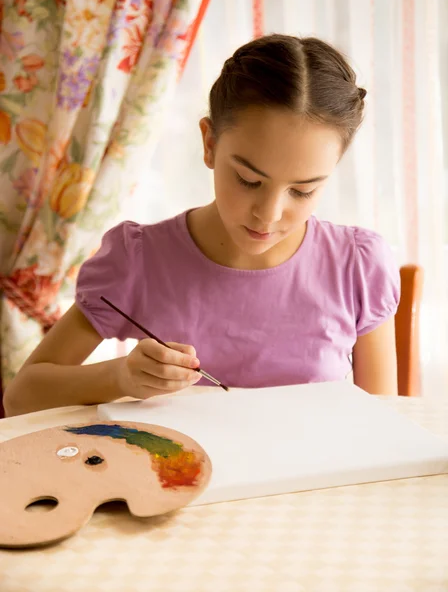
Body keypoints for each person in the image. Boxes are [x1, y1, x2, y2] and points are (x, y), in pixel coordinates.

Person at [4, 34, 400, 417]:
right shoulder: (139, 259)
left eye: (302, 190)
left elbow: (383, 427)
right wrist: (119, 377)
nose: (269, 213)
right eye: (249, 180)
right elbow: (22, 397)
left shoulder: (356, 266)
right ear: (209, 144)